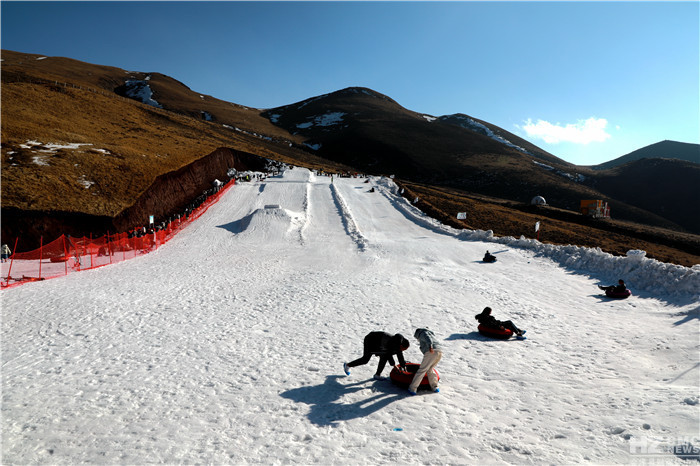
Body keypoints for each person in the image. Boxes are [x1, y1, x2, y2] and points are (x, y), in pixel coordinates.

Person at [343, 332, 409, 380]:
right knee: (365, 359)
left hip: (379, 343)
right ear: (401, 346)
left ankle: (377, 375)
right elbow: (389, 355)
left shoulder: (398, 343)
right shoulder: (393, 343)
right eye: (404, 349)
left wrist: (403, 366)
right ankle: (347, 365)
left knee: (383, 357)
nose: (403, 350)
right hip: (370, 340)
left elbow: (400, 355)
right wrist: (394, 365)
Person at [408, 328, 443, 395]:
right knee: (430, 369)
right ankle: (434, 386)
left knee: (422, 370)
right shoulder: (431, 334)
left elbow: (427, 338)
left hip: (431, 351)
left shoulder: (422, 333)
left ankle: (412, 388)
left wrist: (430, 346)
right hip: (439, 352)